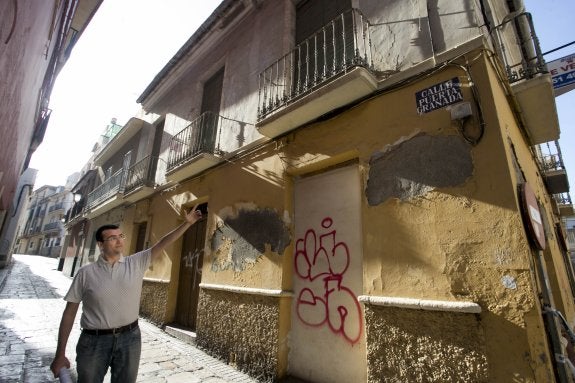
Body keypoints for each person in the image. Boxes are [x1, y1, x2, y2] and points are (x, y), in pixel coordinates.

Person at [50, 207, 203, 382]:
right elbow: (69, 314)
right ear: (100, 244)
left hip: (130, 339)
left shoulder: (136, 263)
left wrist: (187, 223)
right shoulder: (86, 273)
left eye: (120, 236)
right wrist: (60, 353)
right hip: (93, 342)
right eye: (112, 238)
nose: (119, 241)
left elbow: (163, 243)